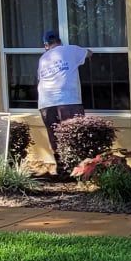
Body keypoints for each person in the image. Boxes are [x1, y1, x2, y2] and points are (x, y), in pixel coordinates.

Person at [36, 29, 88, 175]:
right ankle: (77, 170)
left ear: (46, 45)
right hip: (68, 100)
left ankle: (62, 169)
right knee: (74, 134)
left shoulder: (43, 59)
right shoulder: (71, 50)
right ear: (59, 41)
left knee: (55, 136)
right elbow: (89, 53)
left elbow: (40, 79)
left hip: (45, 102)